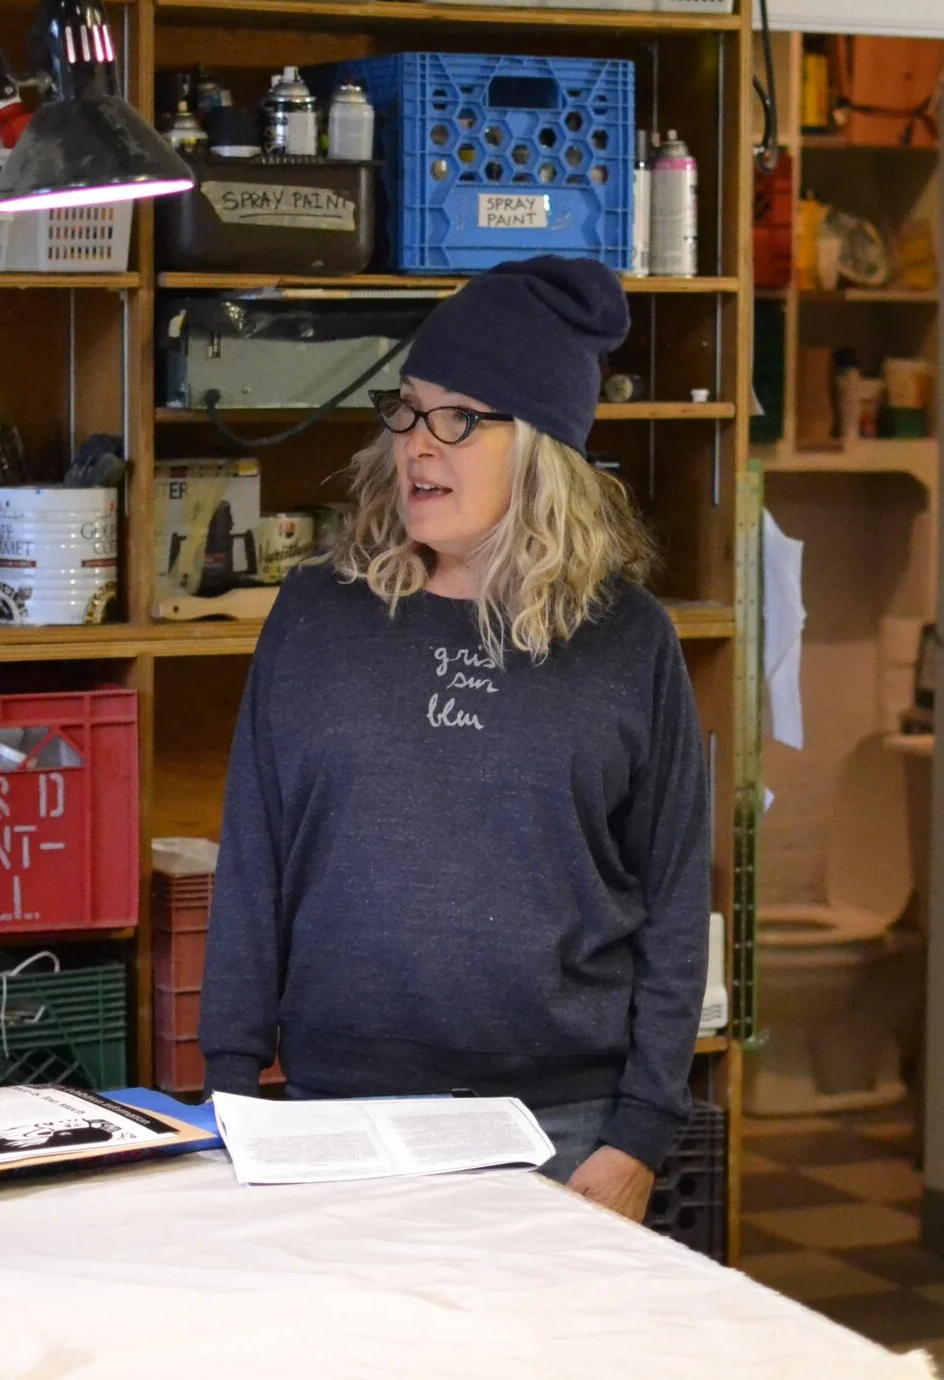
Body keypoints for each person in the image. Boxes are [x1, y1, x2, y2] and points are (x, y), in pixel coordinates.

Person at [199, 254, 711, 1221]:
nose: (417, 446)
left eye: (461, 419)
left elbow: (676, 896)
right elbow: (254, 858)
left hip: (563, 1130)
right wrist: (230, 1085)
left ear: (543, 449)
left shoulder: (629, 639)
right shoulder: (316, 615)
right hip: (335, 1115)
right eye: (408, 410)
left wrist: (640, 1132)